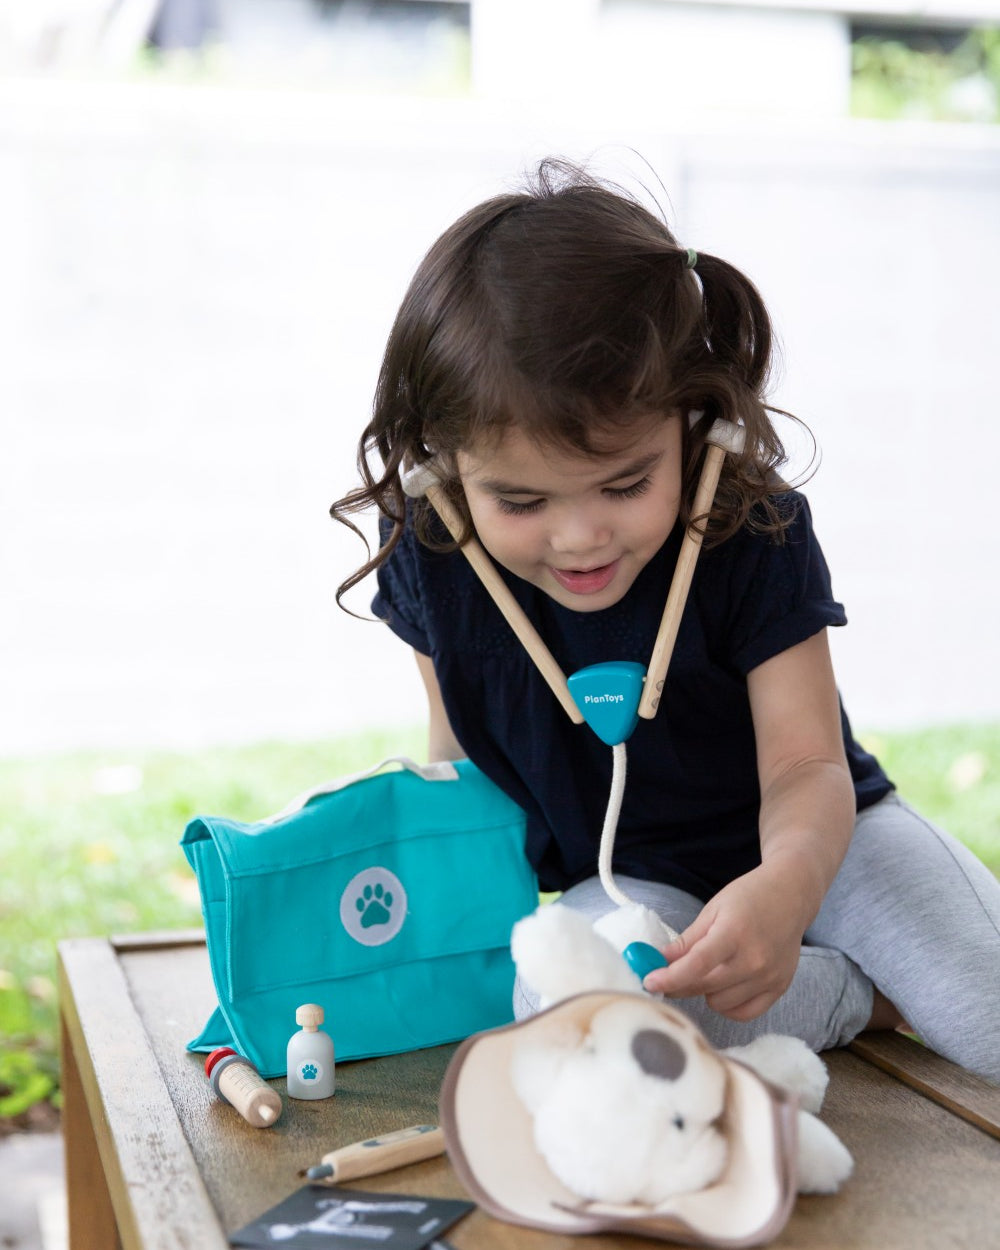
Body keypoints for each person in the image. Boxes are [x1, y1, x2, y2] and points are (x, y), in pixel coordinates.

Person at [330, 158, 1000, 1084]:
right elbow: (461, 762)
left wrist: (787, 885)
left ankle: (870, 972)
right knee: (583, 1010)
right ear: (445, 469)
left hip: (828, 845)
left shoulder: (752, 527)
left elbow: (807, 765)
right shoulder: (433, 550)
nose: (578, 537)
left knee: (988, 1013)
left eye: (627, 483)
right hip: (630, 876)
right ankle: (861, 997)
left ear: (694, 424)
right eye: (521, 501)